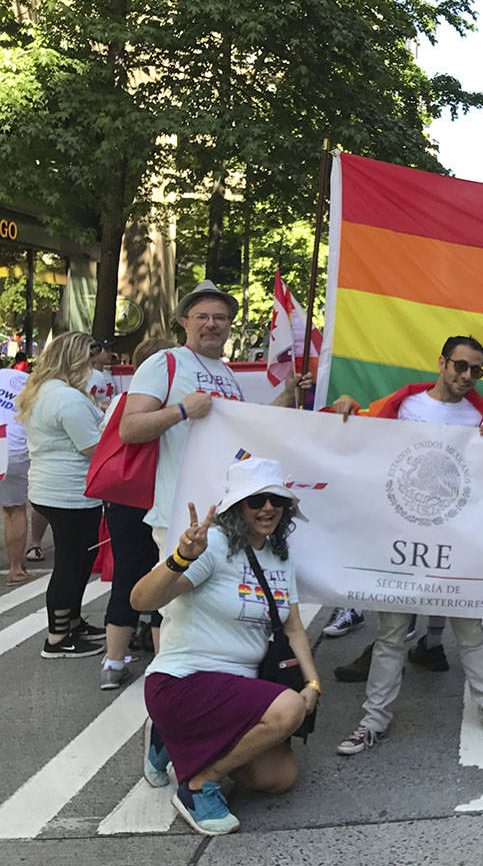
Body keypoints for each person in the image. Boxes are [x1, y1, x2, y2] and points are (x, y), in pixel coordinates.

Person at [328, 335, 483, 752]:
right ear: (441, 362)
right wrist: (345, 408)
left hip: (455, 541)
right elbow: (362, 437)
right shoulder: (404, 406)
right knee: (391, 632)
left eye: (477, 370)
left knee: (471, 629)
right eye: (460, 366)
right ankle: (373, 721)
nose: (467, 376)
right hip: (402, 537)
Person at [131, 458, 319, 836]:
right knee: (287, 709)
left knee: (278, 777)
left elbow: (293, 625)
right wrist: (182, 557)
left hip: (236, 691)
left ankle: (174, 740)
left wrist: (313, 683)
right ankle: (198, 785)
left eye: (275, 500)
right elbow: (140, 600)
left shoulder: (280, 556)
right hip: (182, 681)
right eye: (256, 500)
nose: (267, 508)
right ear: (237, 507)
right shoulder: (213, 545)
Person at [119, 280, 311, 550]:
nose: (211, 324)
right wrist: (182, 410)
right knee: (179, 591)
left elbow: (246, 430)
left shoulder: (226, 372)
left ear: (229, 324)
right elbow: (129, 429)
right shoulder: (164, 362)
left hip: (228, 509)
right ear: (185, 322)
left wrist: (288, 394)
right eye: (202, 317)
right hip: (182, 513)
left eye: (220, 318)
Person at [16, 332, 106, 658]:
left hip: (49, 488)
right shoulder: (67, 398)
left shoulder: (41, 391)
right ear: (75, 360)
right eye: (90, 358)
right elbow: (91, 447)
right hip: (70, 493)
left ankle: (73, 621)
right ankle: (56, 638)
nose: (94, 364)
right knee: (71, 564)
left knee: (78, 562)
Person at [99, 337, 178, 689]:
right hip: (159, 494)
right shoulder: (174, 400)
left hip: (124, 498)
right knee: (165, 577)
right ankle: (162, 668)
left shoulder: (120, 400)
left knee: (126, 575)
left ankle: (113, 663)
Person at [0, 356, 33, 585]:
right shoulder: (34, 385)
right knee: (14, 509)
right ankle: (15, 569)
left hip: (6, 441)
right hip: (13, 447)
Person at [87, 340, 116, 409]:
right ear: (95, 353)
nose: (110, 354)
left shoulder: (107, 373)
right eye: (106, 351)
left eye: (110, 350)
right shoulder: (90, 375)